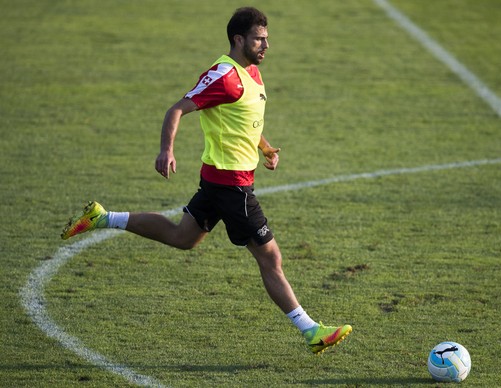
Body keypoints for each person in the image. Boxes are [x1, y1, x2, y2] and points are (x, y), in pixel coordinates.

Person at [61, 7, 351, 355]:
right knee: (270, 258)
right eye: (260, 39)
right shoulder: (225, 76)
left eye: (267, 38)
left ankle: (102, 217)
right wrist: (166, 150)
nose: (266, 45)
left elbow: (245, 119)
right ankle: (311, 331)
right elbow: (177, 109)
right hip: (232, 186)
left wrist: (265, 146)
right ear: (238, 39)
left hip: (220, 181)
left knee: (182, 237)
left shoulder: (253, 74)